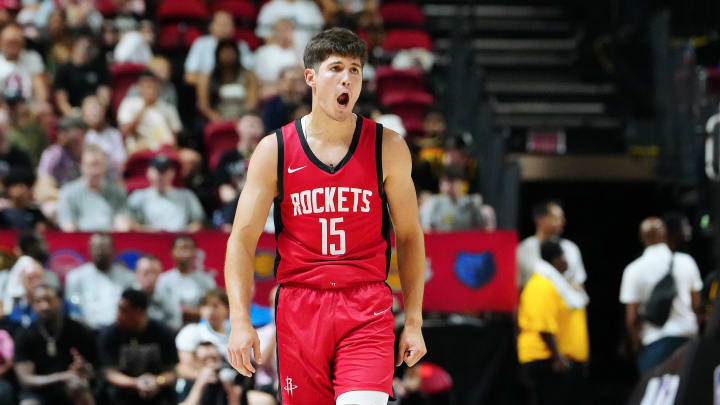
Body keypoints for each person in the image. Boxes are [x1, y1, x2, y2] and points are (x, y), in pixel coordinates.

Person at [224, 28, 427, 405]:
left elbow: (411, 236)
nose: (347, 77)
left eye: (355, 69)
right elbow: (241, 240)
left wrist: (413, 320)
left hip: (366, 305)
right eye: (336, 67)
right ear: (311, 77)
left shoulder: (389, 147)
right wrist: (239, 320)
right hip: (300, 308)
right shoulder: (275, 150)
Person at [619, 217, 703, 375]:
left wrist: (636, 345)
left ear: (641, 237)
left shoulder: (633, 270)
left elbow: (631, 319)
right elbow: (697, 306)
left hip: (653, 342)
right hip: (687, 338)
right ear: (665, 234)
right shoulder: (686, 262)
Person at [517, 239, 589, 405]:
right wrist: (557, 357)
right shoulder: (541, 285)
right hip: (544, 359)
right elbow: (543, 326)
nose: (567, 262)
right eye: (564, 256)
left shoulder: (558, 284)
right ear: (556, 259)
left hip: (555, 360)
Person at [13, 284, 97, 405]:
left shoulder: (77, 329)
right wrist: (62, 376)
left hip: (69, 387)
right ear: (32, 306)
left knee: (80, 389)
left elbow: (94, 369)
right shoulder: (24, 335)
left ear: (60, 302)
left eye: (48, 300)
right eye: (38, 301)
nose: (44, 306)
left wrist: (84, 368)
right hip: (37, 391)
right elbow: (26, 379)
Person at [98, 289, 178, 405]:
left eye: (124, 311)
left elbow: (172, 373)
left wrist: (157, 381)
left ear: (139, 311)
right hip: (123, 390)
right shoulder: (109, 334)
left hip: (157, 388)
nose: (118, 315)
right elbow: (110, 373)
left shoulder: (162, 332)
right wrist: (135, 383)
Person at [64, 233, 135, 330]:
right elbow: (73, 308)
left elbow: (131, 307)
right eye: (95, 247)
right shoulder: (76, 277)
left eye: (104, 247)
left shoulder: (127, 276)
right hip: (85, 330)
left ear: (113, 250)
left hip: (118, 330)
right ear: (89, 250)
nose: (100, 251)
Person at [57, 144, 130, 232]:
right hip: (79, 241)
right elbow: (68, 226)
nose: (94, 171)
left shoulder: (117, 192)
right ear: (82, 166)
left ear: (105, 165)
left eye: (98, 164)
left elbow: (122, 226)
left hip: (110, 241)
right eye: (90, 165)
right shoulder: (68, 192)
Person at [516, 200, 587, 290]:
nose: (562, 222)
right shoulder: (523, 249)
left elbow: (579, 283)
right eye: (556, 218)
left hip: (563, 302)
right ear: (540, 219)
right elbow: (518, 285)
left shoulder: (571, 248)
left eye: (562, 218)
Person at [177, 341, 276, 405]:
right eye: (205, 360)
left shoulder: (230, 380)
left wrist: (232, 394)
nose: (211, 364)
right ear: (197, 363)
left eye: (214, 359)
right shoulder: (191, 382)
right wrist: (199, 385)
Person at [127, 155, 205, 232]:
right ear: (148, 172)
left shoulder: (187, 195)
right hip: (148, 240)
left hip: (180, 240)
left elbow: (198, 223)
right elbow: (129, 224)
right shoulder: (138, 196)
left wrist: (181, 233)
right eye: (157, 171)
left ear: (172, 173)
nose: (161, 175)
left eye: (164, 171)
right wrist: (150, 231)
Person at [184, 11, 254, 86]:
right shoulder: (201, 44)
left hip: (238, 88)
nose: (223, 27)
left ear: (234, 28)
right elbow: (189, 77)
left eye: (227, 24)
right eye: (220, 24)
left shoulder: (241, 46)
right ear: (211, 26)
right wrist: (213, 84)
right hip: (210, 89)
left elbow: (250, 73)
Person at [34, 116, 86, 218]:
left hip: (88, 201)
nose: (60, 134)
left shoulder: (92, 154)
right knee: (51, 209)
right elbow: (42, 191)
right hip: (60, 200)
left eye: (65, 130)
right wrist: (70, 198)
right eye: (59, 130)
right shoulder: (53, 154)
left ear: (81, 132)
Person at [155, 236, 216, 323]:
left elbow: (214, 305)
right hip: (170, 327)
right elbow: (159, 307)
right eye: (182, 248)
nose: (186, 252)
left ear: (195, 252)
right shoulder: (163, 280)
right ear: (172, 252)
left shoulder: (206, 280)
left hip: (201, 326)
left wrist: (197, 312)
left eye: (189, 248)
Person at [196, 39, 258, 122]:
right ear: (218, 55)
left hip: (243, 118)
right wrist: (216, 118)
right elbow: (204, 105)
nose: (228, 56)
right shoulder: (208, 77)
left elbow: (252, 102)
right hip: (217, 119)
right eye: (224, 53)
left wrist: (242, 118)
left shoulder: (248, 75)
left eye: (231, 53)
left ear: (237, 55)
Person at [175, 289, 231, 381]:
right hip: (197, 384)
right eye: (205, 306)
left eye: (215, 306)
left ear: (227, 309)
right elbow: (184, 368)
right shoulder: (191, 331)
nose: (210, 311)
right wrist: (207, 377)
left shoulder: (235, 334)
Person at [53, 31, 111, 117]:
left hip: (95, 111)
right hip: (74, 112)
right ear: (74, 45)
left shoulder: (99, 67)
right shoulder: (64, 69)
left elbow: (104, 94)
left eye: (89, 46)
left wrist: (98, 111)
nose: (86, 50)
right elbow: (61, 100)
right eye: (83, 45)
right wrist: (72, 114)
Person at [214, 113, 264, 205]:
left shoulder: (268, 156)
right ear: (238, 127)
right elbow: (225, 191)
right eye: (249, 125)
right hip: (238, 205)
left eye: (257, 125)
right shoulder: (227, 158)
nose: (252, 130)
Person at [419, 164, 483, 232]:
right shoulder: (432, 204)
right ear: (440, 184)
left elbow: (480, 230)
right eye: (446, 181)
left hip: (466, 240)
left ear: (462, 183)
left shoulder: (471, 204)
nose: (449, 186)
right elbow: (426, 230)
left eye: (453, 181)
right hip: (440, 241)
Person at [81, 95, 126, 181]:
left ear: (103, 112)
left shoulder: (114, 134)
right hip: (88, 179)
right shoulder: (82, 136)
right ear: (84, 114)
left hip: (111, 179)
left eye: (97, 109)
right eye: (90, 110)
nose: (95, 113)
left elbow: (121, 162)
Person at [0, 23, 48, 104]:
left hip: (28, 107)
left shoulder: (32, 57)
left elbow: (40, 89)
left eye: (16, 42)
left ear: (23, 43)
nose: (13, 45)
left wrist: (40, 106)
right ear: (1, 43)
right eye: (9, 42)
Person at [133, 254, 182, 331]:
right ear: (136, 274)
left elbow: (176, 321)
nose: (151, 277)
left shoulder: (167, 293)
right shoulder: (128, 296)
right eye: (146, 273)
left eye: (155, 272)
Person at [253, 19, 303, 94]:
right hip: (271, 89)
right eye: (281, 30)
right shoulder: (263, 52)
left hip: (295, 90)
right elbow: (257, 78)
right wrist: (279, 86)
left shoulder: (300, 52)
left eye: (288, 29)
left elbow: (303, 75)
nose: (285, 33)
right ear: (274, 32)